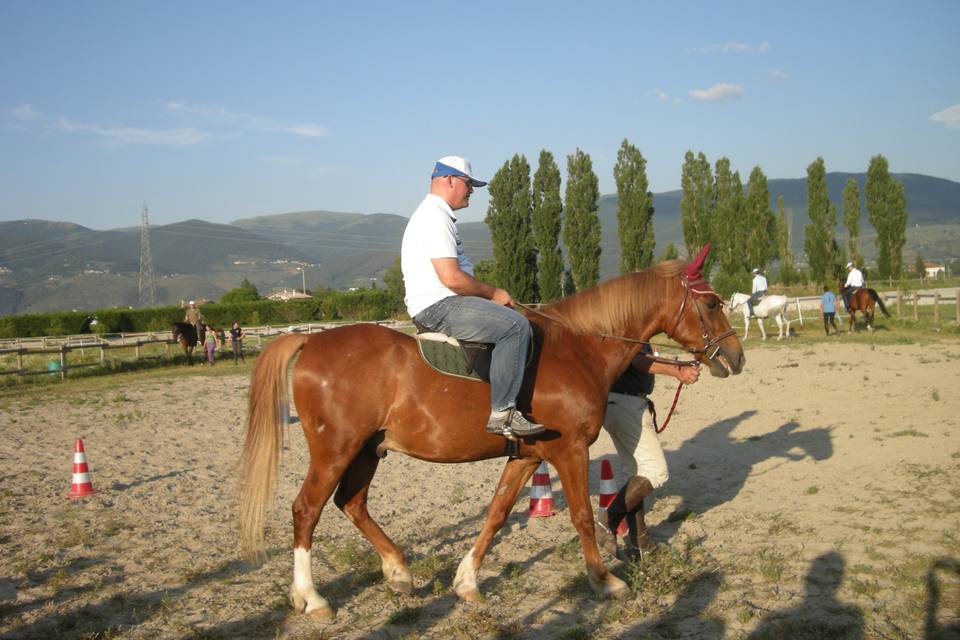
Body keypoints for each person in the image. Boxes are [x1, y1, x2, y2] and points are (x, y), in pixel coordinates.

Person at [401, 156, 544, 439]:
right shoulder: (434, 216)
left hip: (443, 301)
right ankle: (503, 413)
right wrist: (493, 293)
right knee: (516, 327)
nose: (472, 191)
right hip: (440, 305)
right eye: (469, 184)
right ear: (449, 180)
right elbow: (451, 278)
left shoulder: (437, 214)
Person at [598, 349, 701, 561]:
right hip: (627, 404)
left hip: (617, 402)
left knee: (637, 474)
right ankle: (605, 523)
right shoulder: (630, 320)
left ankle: (641, 544)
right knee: (656, 472)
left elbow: (641, 358)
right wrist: (676, 371)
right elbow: (635, 359)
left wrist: (675, 363)